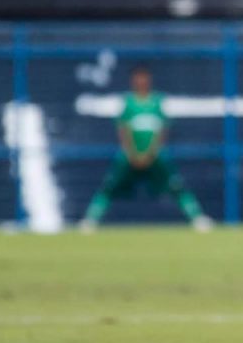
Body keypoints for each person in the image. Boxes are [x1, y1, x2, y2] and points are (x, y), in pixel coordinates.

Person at [78, 65, 213, 232]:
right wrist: (133, 153)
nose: (141, 81)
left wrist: (150, 153)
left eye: (144, 77)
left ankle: (197, 218)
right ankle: (90, 220)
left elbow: (162, 130)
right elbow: (123, 129)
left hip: (154, 155)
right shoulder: (128, 103)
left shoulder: (157, 102)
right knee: (109, 186)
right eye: (138, 77)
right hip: (130, 156)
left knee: (176, 186)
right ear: (133, 80)